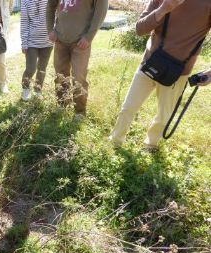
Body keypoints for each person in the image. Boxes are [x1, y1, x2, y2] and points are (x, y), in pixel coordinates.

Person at [109, 0, 211, 150]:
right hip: (150, 62)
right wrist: (164, 9)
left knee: (163, 116)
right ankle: (115, 142)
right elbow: (139, 29)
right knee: (128, 107)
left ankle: (150, 146)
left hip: (178, 71)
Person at [46, 0, 108, 116]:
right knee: (60, 75)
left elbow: (101, 11)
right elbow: (50, 6)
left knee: (79, 78)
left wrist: (89, 37)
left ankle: (79, 111)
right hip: (60, 39)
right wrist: (50, 30)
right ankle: (62, 104)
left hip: (81, 42)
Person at [20, 0, 53, 101]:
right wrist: (24, 43)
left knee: (42, 68)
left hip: (48, 42)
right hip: (31, 42)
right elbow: (24, 23)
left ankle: (37, 90)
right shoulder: (25, 2)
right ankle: (25, 88)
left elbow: (57, 16)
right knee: (31, 68)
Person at [0, 0, 13, 93]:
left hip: (0, 30)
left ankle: (2, 83)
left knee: (0, 61)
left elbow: (10, 5)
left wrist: (6, 17)